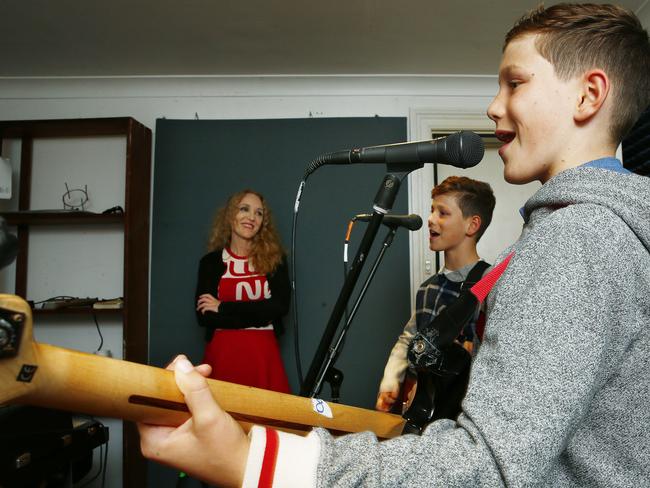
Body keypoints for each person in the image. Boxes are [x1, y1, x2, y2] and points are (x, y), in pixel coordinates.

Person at [138, 4, 650, 486]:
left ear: (588, 95)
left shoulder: (576, 239)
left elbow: (487, 467)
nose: (493, 106)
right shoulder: (586, 233)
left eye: (515, 83)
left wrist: (256, 462)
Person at [375, 176, 495, 414]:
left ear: (472, 225)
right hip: (423, 405)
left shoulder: (491, 282)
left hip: (463, 410)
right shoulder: (427, 288)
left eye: (443, 212)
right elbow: (409, 338)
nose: (430, 219)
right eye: (432, 210)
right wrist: (392, 378)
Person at [194, 189, 291, 393]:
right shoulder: (210, 263)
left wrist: (223, 307)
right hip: (222, 357)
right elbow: (205, 317)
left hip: (263, 356)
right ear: (230, 215)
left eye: (259, 213)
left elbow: (279, 307)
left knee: (267, 419)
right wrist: (260, 316)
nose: (251, 217)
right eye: (244, 209)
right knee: (219, 420)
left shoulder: (275, 260)